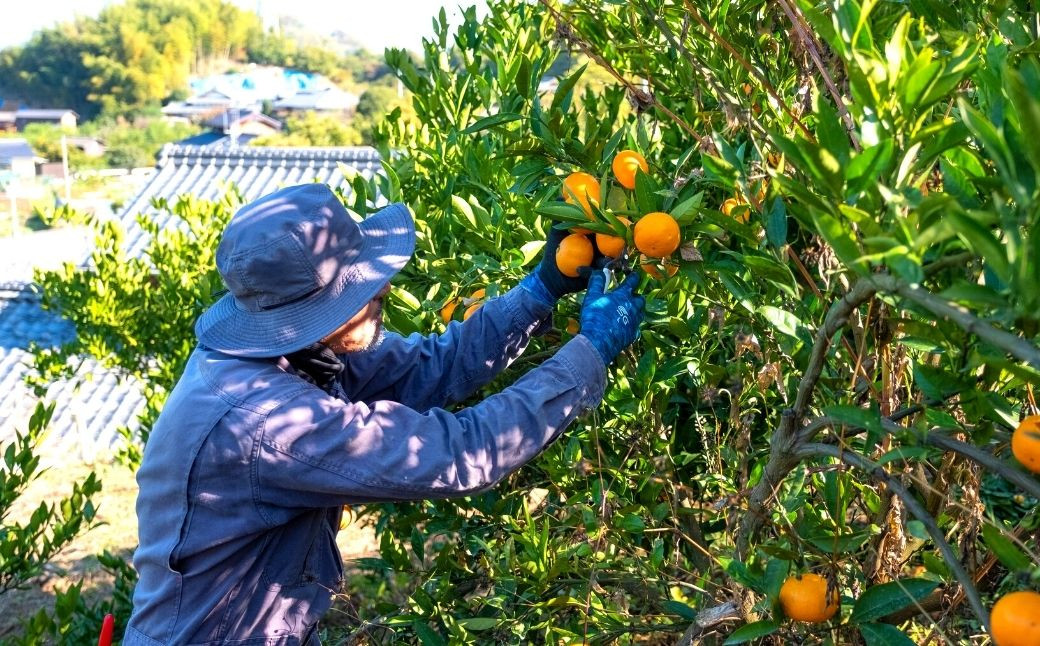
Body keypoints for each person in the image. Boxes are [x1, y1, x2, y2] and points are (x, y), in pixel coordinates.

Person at [124, 182, 644, 645]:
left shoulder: (296, 353)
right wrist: (589, 353)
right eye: (357, 288)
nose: (383, 289)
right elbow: (458, 454)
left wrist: (542, 289)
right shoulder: (268, 419)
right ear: (305, 310)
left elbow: (434, 366)